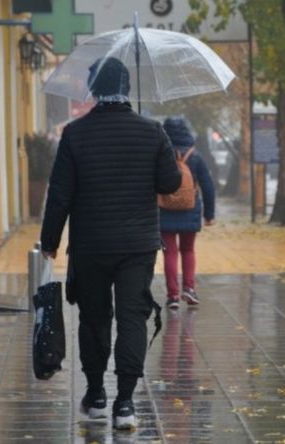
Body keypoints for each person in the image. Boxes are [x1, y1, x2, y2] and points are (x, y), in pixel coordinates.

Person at [40, 57, 181, 430]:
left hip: (90, 245)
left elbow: (60, 195)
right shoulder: (152, 132)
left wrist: (49, 241)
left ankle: (96, 394)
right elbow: (170, 184)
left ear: (94, 89)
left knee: (94, 317)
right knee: (132, 317)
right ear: (127, 88)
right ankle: (125, 404)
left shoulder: (75, 134)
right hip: (138, 245)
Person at [159, 117, 216, 309]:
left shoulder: (161, 154)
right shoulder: (195, 156)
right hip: (190, 209)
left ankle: (173, 295)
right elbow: (208, 186)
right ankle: (189, 289)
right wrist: (209, 214)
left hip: (164, 209)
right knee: (188, 250)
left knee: (170, 252)